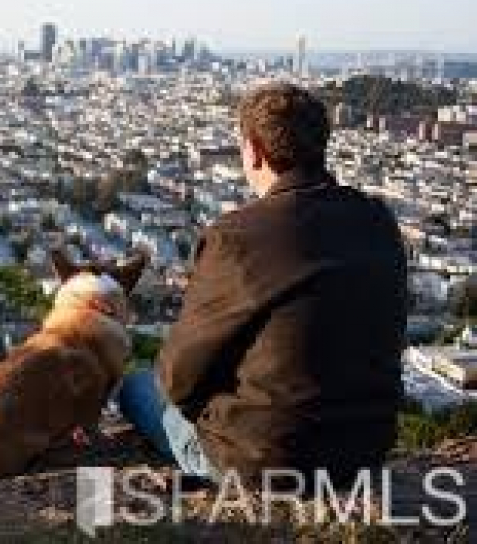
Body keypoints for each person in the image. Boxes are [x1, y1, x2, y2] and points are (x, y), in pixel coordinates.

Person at [116, 83, 408, 488]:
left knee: (135, 387)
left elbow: (178, 376)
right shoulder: (377, 220)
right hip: (365, 449)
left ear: (253, 150)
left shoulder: (238, 236)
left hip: (266, 460)